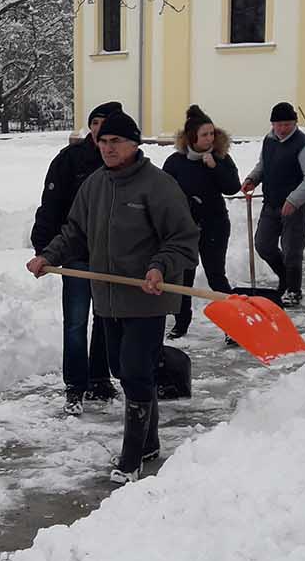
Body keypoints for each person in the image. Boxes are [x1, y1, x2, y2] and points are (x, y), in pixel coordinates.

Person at [27, 110, 199, 484]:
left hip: (146, 296)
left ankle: (132, 456)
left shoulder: (158, 186)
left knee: (135, 370)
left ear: (134, 144)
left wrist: (159, 267)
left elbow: (182, 239)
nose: (108, 148)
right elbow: (74, 231)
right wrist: (49, 256)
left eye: (116, 142)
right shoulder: (94, 185)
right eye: (103, 142)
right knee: (122, 369)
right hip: (107, 296)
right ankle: (150, 440)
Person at [31, 100, 121, 414]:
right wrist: (44, 247)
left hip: (112, 257)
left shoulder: (125, 163)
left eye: (106, 124)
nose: (99, 130)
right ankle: (75, 386)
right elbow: (51, 204)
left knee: (106, 319)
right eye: (95, 123)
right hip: (77, 253)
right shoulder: (70, 160)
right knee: (76, 321)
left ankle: (99, 378)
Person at [161, 105, 241, 338]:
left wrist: (215, 167)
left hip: (214, 224)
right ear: (191, 137)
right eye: (204, 134)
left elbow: (232, 187)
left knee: (216, 275)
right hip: (184, 228)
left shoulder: (221, 158)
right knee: (183, 276)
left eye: (212, 133)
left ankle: (233, 326)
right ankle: (181, 322)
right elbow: (165, 193)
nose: (209, 138)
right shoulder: (176, 162)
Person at [240, 101, 305, 307]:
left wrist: (294, 200)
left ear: (295, 123)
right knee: (263, 244)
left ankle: (294, 290)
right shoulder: (269, 141)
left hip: (295, 206)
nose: (283, 128)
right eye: (278, 124)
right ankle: (285, 278)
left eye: (287, 124)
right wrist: (252, 179)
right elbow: (264, 165)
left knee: (291, 250)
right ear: (272, 124)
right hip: (272, 202)